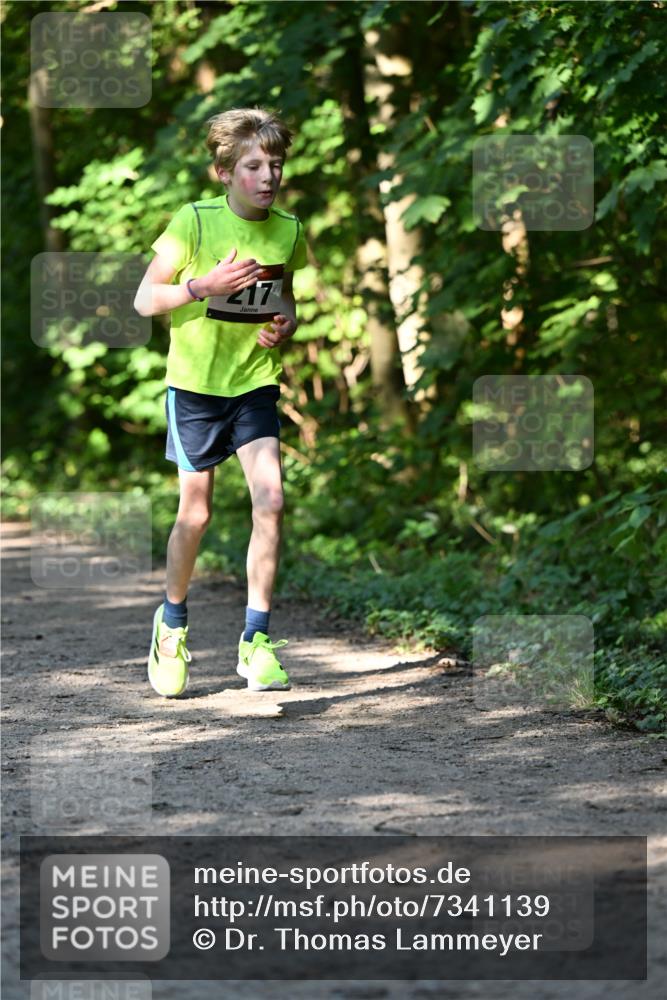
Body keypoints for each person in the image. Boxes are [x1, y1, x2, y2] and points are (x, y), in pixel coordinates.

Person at [134, 106, 307, 698]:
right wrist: (199, 287)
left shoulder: (288, 229)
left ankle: (255, 643)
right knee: (198, 514)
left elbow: (285, 300)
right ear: (224, 171)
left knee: (273, 499)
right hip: (195, 389)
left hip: (254, 382)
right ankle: (172, 624)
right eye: (254, 166)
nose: (268, 176)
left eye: (275, 164)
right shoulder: (195, 223)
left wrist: (284, 324)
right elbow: (143, 300)